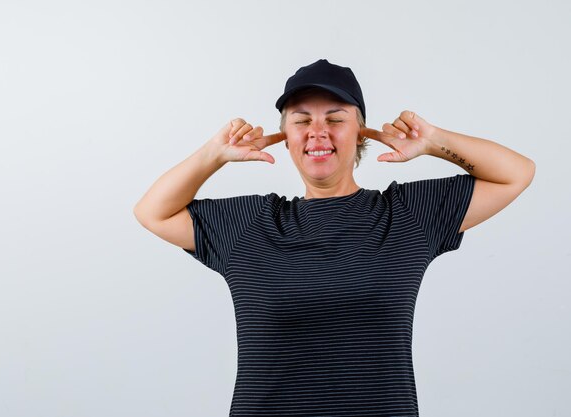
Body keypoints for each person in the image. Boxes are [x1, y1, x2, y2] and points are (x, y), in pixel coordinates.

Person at [133, 59, 535, 416]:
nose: (318, 132)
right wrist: (213, 154)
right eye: (302, 120)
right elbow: (153, 212)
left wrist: (434, 143)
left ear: (361, 132)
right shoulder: (248, 224)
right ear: (285, 137)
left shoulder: (407, 214)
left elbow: (516, 172)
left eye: (336, 118)